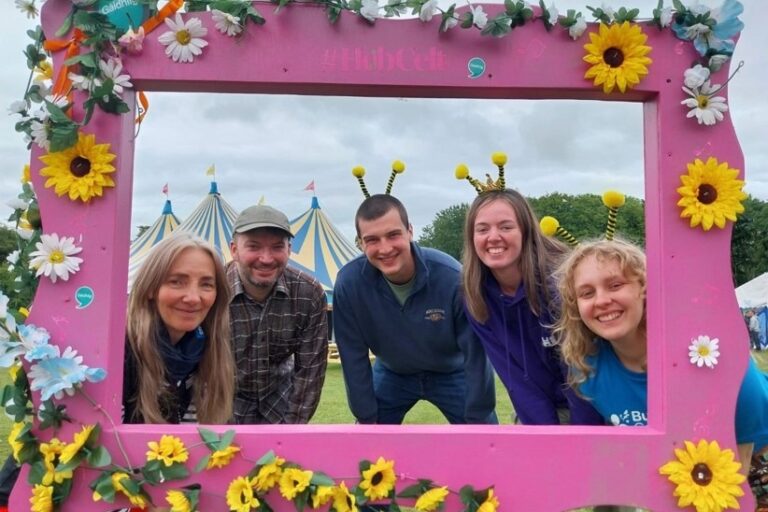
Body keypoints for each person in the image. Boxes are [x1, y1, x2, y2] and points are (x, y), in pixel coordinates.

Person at [554, 239, 768, 508]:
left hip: (751, 464)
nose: (602, 300)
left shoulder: (708, 356)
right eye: (586, 293)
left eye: (615, 285)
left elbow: (741, 456)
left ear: (645, 288)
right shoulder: (588, 370)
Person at [334, 194, 497, 424]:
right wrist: (367, 419)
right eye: (372, 240)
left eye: (393, 235)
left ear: (410, 231)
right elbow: (352, 356)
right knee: (369, 445)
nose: (385, 248)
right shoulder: (349, 284)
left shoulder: (451, 277)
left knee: (486, 441)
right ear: (360, 243)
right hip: (392, 372)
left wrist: (478, 417)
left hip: (452, 371)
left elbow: (476, 352)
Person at [461, 188, 603, 425]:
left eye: (506, 227)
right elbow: (514, 379)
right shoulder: (475, 296)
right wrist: (543, 437)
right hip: (541, 410)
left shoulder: (561, 282)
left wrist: (581, 438)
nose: (493, 237)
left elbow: (581, 369)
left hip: (594, 404)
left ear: (526, 231)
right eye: (482, 229)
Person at [228, 204, 328, 424]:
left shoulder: (308, 293)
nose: (266, 258)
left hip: (280, 401)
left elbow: (310, 375)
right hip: (223, 402)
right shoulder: (213, 290)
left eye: (277, 247)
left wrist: (288, 433)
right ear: (234, 250)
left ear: (289, 249)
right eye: (253, 247)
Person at [124, 232, 235, 424]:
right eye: (176, 282)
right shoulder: (122, 354)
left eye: (206, 285)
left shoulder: (208, 353)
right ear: (150, 288)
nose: (193, 297)